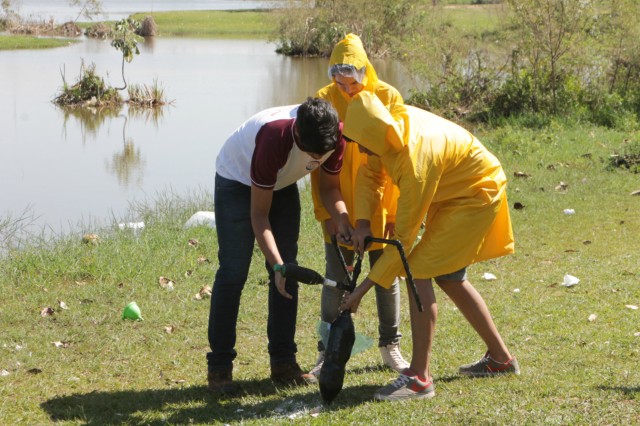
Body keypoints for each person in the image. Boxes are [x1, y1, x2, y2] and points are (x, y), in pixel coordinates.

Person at [340, 92, 519, 401]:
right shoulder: (386, 129)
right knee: (449, 277)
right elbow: (370, 174)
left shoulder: (414, 159)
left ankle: (419, 377)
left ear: (376, 133)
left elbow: (403, 241)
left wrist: (362, 290)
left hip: (475, 195)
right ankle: (501, 360)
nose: (360, 148)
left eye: (362, 142)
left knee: (417, 272)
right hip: (454, 194)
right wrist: (363, 223)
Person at [207, 97, 353, 393]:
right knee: (234, 272)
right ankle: (220, 367)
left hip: (282, 183)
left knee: (291, 273)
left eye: (321, 153)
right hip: (236, 181)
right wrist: (276, 264)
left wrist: (343, 220)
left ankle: (283, 362)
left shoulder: (333, 135)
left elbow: (329, 188)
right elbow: (259, 216)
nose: (318, 157)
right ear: (298, 134)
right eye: (312, 154)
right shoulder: (274, 137)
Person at [308, 33, 409, 376]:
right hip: (338, 210)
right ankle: (326, 350)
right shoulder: (323, 100)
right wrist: (329, 216)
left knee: (386, 276)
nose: (347, 90)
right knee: (335, 280)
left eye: (352, 84)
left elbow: (396, 157)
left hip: (380, 207)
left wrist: (394, 214)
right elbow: (317, 166)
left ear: (365, 72)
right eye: (340, 83)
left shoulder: (388, 96)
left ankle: (389, 345)